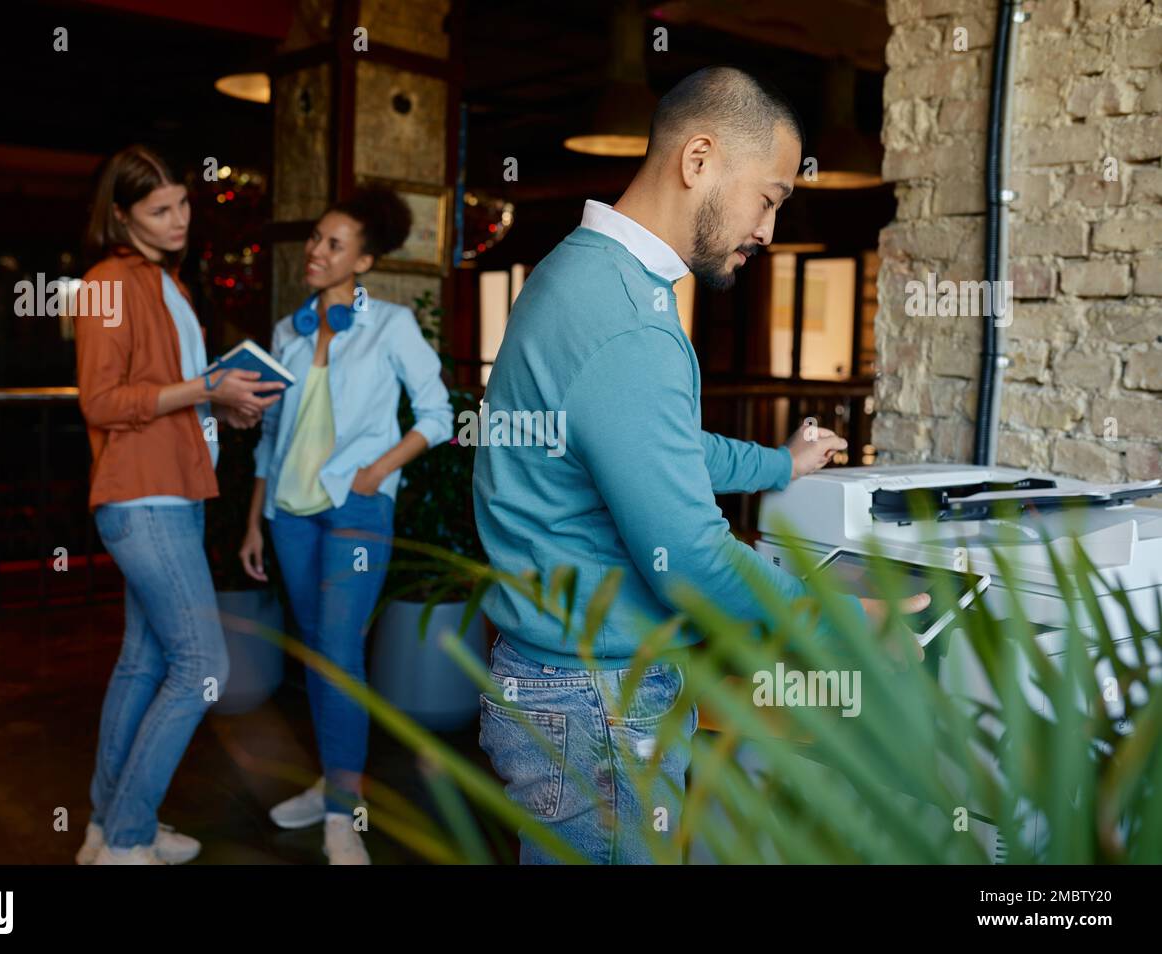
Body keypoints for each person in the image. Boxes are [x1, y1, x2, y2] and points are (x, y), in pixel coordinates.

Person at [472, 66, 927, 864]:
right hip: (594, 699)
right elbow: (688, 555)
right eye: (771, 197)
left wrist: (776, 466)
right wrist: (852, 622)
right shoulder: (629, 324)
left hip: (556, 679)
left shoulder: (579, 274)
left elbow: (651, 452)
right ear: (700, 160)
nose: (769, 230)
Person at [74, 145, 285, 865]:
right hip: (143, 497)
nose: (178, 221)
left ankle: (109, 826)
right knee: (203, 667)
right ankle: (127, 836)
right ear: (121, 214)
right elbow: (101, 402)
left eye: (183, 205)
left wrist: (226, 408)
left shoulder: (173, 287)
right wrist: (204, 390)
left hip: (177, 492)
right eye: (159, 210)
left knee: (143, 663)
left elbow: (172, 397)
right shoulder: (106, 283)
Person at [241, 187, 454, 865]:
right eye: (315, 239)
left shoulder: (390, 325)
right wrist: (254, 521)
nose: (317, 251)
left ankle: (343, 814)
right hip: (290, 515)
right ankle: (332, 783)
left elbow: (439, 414)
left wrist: (379, 469)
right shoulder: (285, 332)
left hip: (359, 507)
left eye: (335, 244)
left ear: (362, 260)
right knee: (317, 658)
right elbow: (270, 436)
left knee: (338, 655)